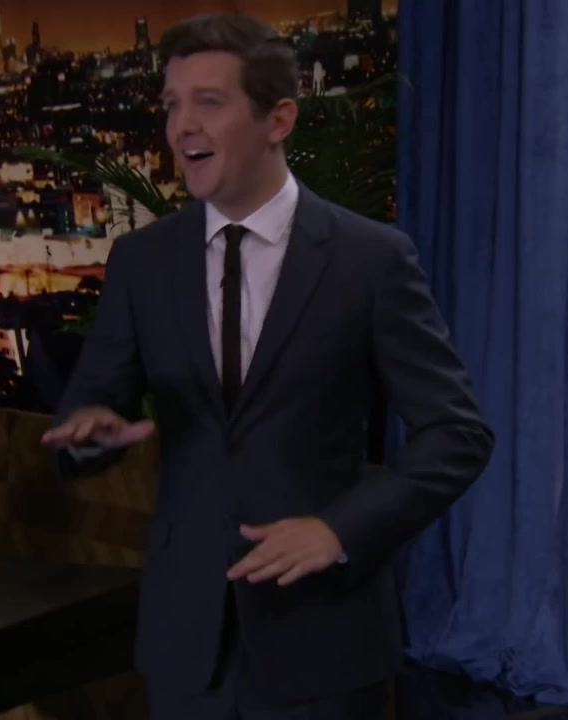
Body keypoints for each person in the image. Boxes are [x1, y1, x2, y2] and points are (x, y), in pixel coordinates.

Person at [42, 13, 493, 720]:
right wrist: (89, 433)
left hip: (323, 637)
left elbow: (458, 435)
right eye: (172, 104)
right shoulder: (142, 262)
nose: (182, 126)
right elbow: (93, 405)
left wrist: (340, 530)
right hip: (187, 641)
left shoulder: (370, 261)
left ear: (278, 119)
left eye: (209, 102)